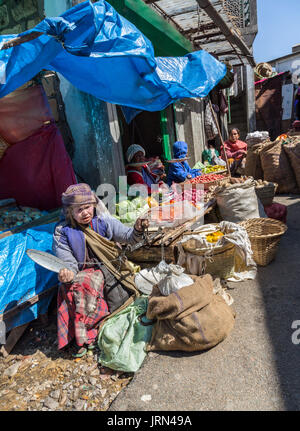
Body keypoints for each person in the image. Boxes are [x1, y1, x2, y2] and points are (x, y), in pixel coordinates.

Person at [52, 183, 149, 357]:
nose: (85, 213)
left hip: (109, 266)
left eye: (88, 207)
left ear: (94, 205)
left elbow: (128, 237)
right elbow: (67, 261)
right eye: (79, 210)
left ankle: (100, 326)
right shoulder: (62, 232)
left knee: (96, 285)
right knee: (74, 285)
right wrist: (68, 272)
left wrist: (137, 229)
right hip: (81, 271)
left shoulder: (103, 221)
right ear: (69, 212)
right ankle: (82, 337)